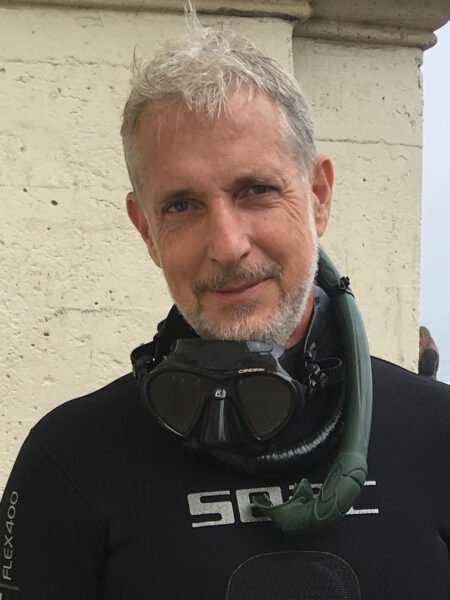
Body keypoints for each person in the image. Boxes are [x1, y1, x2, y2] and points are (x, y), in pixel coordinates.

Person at [1, 14, 450, 600]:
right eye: (182, 205)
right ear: (145, 230)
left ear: (317, 197)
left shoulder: (440, 437)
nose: (228, 245)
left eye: (256, 191)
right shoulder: (67, 463)